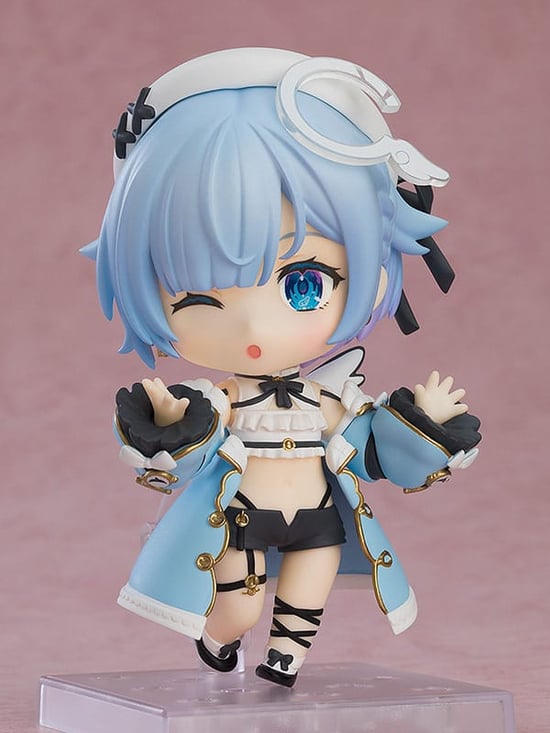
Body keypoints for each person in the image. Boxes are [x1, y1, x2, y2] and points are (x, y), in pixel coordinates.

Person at [84, 48, 481, 687]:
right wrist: (168, 425)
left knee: (306, 595)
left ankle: (285, 660)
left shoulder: (331, 398)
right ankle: (219, 638)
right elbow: (186, 458)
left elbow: (371, 450)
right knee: (240, 607)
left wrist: (424, 425)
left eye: (304, 283)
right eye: (197, 296)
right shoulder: (218, 401)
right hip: (239, 513)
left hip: (316, 511)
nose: (254, 330)